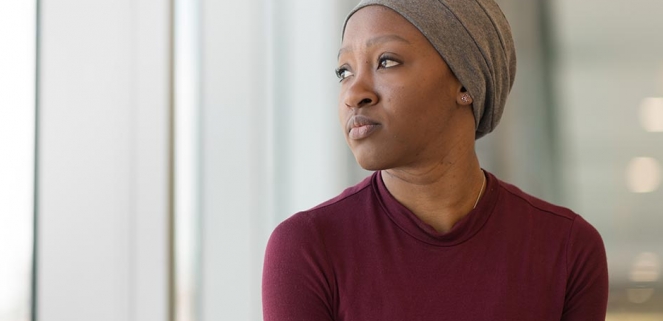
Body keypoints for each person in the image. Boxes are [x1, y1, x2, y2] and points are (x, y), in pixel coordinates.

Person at [261, 0, 609, 320]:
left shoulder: (566, 248)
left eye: (386, 61)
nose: (354, 93)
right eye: (344, 72)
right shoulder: (307, 248)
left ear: (465, 81)